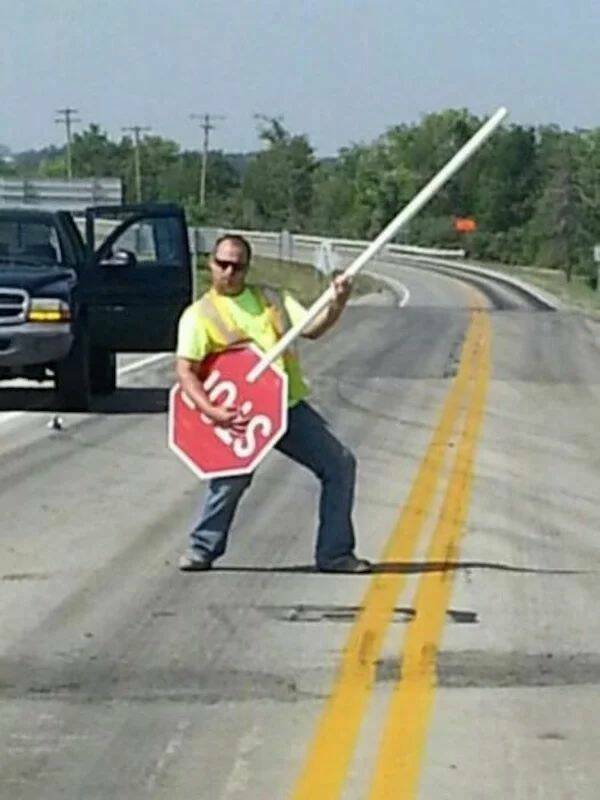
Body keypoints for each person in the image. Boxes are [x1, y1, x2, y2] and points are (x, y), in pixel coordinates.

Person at [175, 233, 371, 574]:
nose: (229, 272)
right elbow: (186, 373)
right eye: (222, 264)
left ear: (247, 268)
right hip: (238, 414)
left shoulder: (272, 299)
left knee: (340, 465)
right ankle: (201, 548)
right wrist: (213, 412)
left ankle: (335, 554)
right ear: (211, 264)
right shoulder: (199, 315)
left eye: (237, 266)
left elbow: (312, 328)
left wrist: (337, 302)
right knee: (230, 480)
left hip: (286, 406)